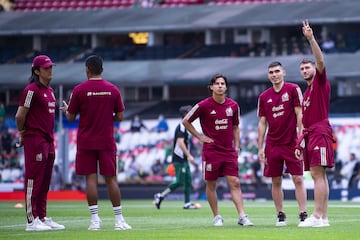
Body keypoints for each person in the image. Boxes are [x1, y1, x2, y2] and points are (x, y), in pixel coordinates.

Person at [61, 55, 131, 231]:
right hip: (106, 140)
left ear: (87, 69)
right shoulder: (113, 89)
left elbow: (70, 117)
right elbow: (120, 116)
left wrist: (65, 109)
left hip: (86, 141)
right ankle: (119, 220)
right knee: (111, 180)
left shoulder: (79, 90)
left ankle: (94, 220)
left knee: (90, 180)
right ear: (102, 69)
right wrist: (106, 119)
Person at [182, 74, 254, 227]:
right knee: (211, 183)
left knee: (235, 182)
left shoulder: (233, 105)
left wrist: (237, 146)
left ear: (226, 87)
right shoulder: (203, 105)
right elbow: (186, 120)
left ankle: (242, 216)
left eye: (223, 83)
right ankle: (216, 216)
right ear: (211, 87)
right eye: (217, 83)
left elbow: (235, 127)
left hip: (228, 151)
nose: (220, 86)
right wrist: (200, 137)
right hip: (211, 151)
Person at [15, 55, 65, 231]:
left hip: (49, 140)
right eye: (46, 68)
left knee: (45, 181)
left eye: (51, 67)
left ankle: (41, 217)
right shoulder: (31, 90)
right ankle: (31, 221)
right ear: (36, 71)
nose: (50, 70)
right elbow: (20, 115)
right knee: (33, 180)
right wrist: (22, 133)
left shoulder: (50, 91)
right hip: (35, 139)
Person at [257, 61, 308, 227]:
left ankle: (303, 214)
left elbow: (300, 114)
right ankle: (280, 214)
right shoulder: (264, 97)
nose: (274, 74)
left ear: (283, 72)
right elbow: (262, 123)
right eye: (271, 72)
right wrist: (260, 147)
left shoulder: (293, 89)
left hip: (292, 142)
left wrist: (301, 138)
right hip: (272, 144)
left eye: (277, 71)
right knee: (275, 181)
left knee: (298, 178)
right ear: (268, 75)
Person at [296, 20, 335, 227]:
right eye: (301, 68)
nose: (304, 70)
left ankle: (318, 216)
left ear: (314, 69)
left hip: (320, 132)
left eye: (307, 67)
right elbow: (303, 119)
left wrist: (311, 38)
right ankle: (324, 217)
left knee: (317, 174)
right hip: (310, 134)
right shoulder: (306, 92)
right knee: (319, 175)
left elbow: (320, 61)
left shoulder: (320, 83)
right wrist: (300, 141)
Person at [154, 105, 198, 210]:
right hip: (179, 158)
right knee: (180, 181)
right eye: (190, 112)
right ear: (185, 114)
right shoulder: (182, 126)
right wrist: (189, 155)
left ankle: (187, 203)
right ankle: (160, 196)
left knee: (188, 180)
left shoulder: (187, 126)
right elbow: (180, 142)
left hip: (183, 159)